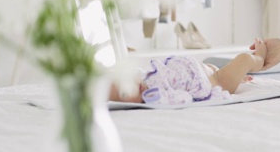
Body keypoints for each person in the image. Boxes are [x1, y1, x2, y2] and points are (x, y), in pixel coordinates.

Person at [110, 38, 267, 104]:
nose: (130, 87)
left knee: (223, 66)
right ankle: (259, 59)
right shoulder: (155, 96)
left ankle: (238, 77)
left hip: (206, 70)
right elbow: (184, 98)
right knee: (244, 59)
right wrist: (157, 97)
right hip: (216, 81)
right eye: (124, 94)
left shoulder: (143, 79)